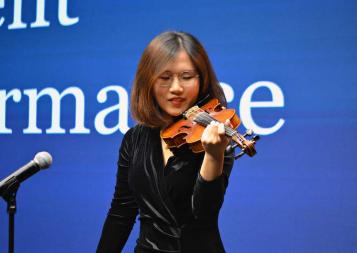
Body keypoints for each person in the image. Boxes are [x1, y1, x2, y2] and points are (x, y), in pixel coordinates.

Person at [97, 31, 235, 253]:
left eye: (187, 76)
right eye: (165, 77)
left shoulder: (216, 135)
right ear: (148, 81)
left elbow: (203, 217)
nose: (176, 88)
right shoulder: (134, 139)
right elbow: (121, 213)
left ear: (202, 80)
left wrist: (214, 155)